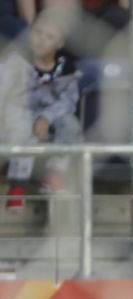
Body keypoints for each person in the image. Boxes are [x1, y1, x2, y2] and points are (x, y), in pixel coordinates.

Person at [0, 8, 80, 211]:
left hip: (50, 121)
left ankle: (54, 176)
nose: (42, 40)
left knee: (71, 123)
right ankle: (17, 185)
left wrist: (45, 118)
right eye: (38, 33)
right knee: (23, 123)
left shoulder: (66, 67)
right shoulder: (16, 61)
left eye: (50, 36)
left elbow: (69, 100)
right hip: (16, 117)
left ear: (59, 44)